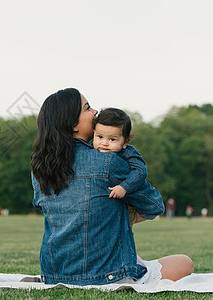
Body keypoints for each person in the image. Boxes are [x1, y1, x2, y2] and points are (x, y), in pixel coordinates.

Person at [30, 88, 194, 286]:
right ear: (73, 123)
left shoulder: (39, 168)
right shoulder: (107, 161)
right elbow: (154, 205)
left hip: (55, 274)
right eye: (87, 108)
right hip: (108, 275)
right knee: (185, 263)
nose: (96, 112)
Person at [92, 108, 146, 224]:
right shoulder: (91, 150)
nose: (104, 143)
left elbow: (140, 171)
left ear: (125, 142)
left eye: (112, 139)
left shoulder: (128, 152)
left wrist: (124, 187)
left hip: (127, 198)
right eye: (100, 137)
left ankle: (127, 225)